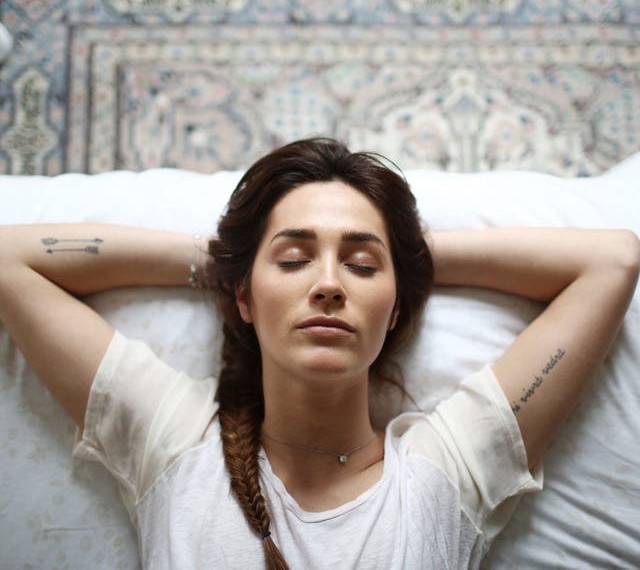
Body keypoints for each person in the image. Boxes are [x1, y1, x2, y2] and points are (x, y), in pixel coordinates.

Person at [0, 137, 638, 569]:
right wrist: (224, 261)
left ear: (393, 311)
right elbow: (10, 259)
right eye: (295, 259)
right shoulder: (173, 448)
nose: (328, 283)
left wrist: (408, 261)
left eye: (361, 265)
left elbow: (612, 261)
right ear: (245, 299)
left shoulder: (449, 472)